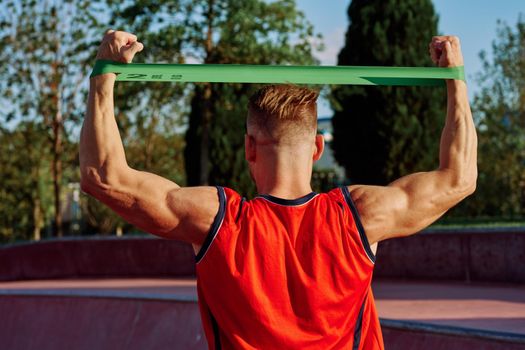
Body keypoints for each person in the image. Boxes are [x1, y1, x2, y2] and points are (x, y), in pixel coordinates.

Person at [79, 30, 477, 350]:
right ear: (318, 147)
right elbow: (458, 177)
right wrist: (454, 79)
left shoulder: (217, 220)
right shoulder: (358, 215)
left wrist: (104, 76)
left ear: (250, 147)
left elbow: (103, 175)